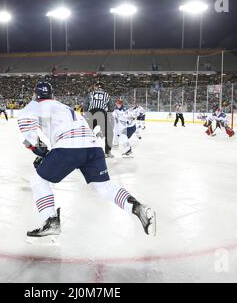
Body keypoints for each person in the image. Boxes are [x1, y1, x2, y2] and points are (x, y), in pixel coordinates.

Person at [18, 82, 156, 239]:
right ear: (52, 95)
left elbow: (27, 126)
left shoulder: (34, 105)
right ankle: (138, 208)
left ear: (35, 95)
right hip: (92, 146)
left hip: (69, 146)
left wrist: (35, 148)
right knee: (104, 187)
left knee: (38, 180)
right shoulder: (63, 106)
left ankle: (51, 220)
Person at [83, 81, 114, 158]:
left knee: (89, 133)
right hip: (102, 113)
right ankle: (107, 152)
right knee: (109, 133)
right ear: (103, 88)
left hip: (91, 113)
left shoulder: (90, 94)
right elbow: (112, 108)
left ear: (96, 87)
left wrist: (86, 113)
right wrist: (108, 112)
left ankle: (87, 152)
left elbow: (85, 105)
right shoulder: (107, 95)